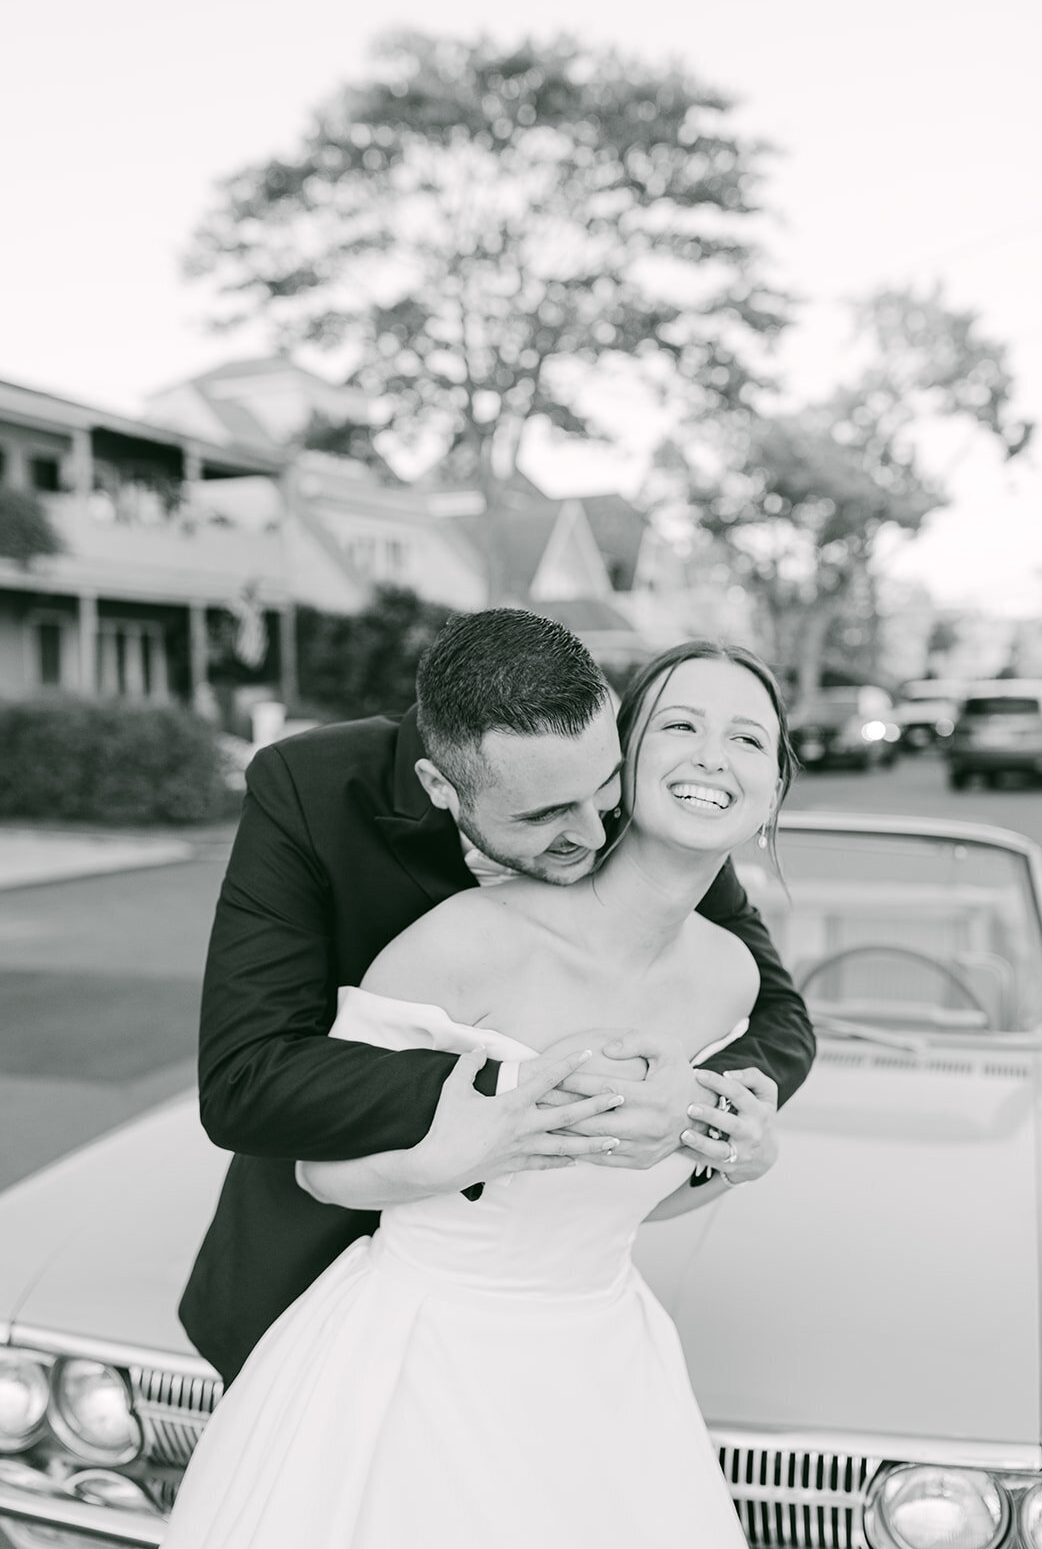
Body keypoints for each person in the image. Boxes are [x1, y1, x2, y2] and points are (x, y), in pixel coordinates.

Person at [164, 638, 801, 1548]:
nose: (588, 832)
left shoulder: (708, 936)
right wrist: (525, 1094)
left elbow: (775, 1026)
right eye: (546, 812)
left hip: (599, 1362)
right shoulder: (337, 814)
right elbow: (246, 1084)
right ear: (440, 787)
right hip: (396, 1326)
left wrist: (716, 1132)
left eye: (602, 793)